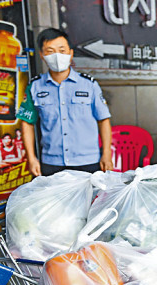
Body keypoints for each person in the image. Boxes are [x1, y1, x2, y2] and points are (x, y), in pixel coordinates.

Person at [16, 28, 113, 176]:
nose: (57, 56)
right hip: (51, 163)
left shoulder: (89, 85)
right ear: (42, 55)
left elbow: (103, 120)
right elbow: (27, 122)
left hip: (88, 161)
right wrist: (31, 158)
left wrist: (106, 153)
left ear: (70, 53)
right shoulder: (35, 87)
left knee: (90, 199)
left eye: (62, 50)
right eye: (50, 51)